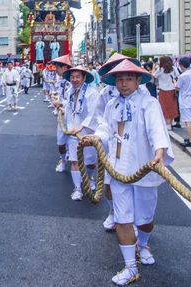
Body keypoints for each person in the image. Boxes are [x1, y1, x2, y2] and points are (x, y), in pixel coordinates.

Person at [89, 59, 173, 286]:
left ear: (138, 80)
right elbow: (106, 127)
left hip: (144, 167)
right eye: (119, 79)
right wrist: (96, 137)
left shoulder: (149, 103)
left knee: (145, 218)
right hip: (117, 170)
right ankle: (130, 266)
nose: (123, 83)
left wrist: (159, 153)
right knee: (122, 217)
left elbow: (157, 129)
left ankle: (143, 243)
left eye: (128, 79)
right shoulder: (111, 104)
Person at [95, 53, 143, 232]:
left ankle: (135, 223)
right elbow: (102, 117)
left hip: (135, 148)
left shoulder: (142, 94)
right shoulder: (106, 93)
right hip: (111, 145)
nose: (123, 81)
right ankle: (114, 212)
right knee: (108, 185)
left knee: (135, 188)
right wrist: (99, 135)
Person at [61, 65, 99, 201]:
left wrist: (82, 127)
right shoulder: (70, 91)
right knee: (74, 161)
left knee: (90, 162)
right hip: (73, 132)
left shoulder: (92, 93)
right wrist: (60, 106)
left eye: (78, 77)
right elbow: (68, 108)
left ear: (84, 78)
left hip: (88, 132)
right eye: (72, 77)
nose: (75, 79)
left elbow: (94, 113)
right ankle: (77, 188)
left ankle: (89, 177)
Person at [51, 55, 73, 173]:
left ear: (64, 68)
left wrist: (61, 103)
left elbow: (72, 99)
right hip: (62, 116)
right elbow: (61, 94)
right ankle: (63, 160)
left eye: (57, 68)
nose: (55, 70)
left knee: (74, 142)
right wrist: (55, 97)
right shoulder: (61, 80)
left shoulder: (73, 80)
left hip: (73, 116)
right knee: (61, 142)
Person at [175, 57, 191, 147]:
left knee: (187, 121)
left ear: (181, 65)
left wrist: (174, 82)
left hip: (186, 100)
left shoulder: (182, 76)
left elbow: (177, 87)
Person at [153, 56, 179, 130]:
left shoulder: (160, 70)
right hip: (172, 90)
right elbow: (178, 76)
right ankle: (170, 123)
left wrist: (153, 67)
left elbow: (153, 76)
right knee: (171, 107)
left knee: (164, 107)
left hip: (163, 91)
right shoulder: (173, 68)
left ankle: (167, 124)